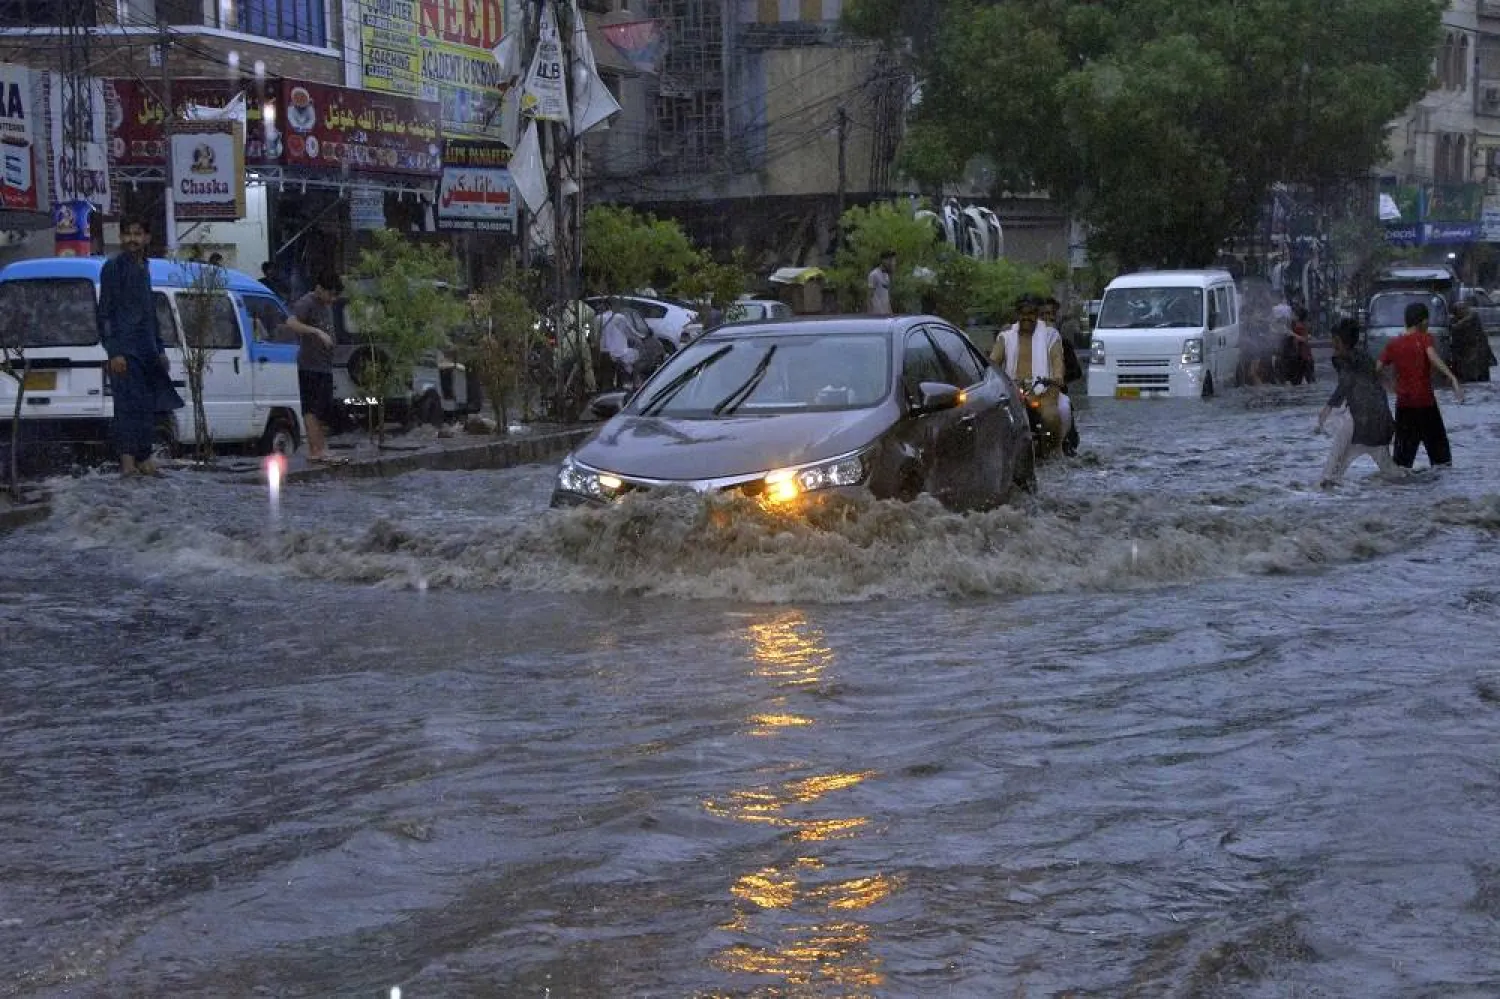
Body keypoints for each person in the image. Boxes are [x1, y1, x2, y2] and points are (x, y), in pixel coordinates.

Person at [97, 216, 183, 477]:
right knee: (126, 406)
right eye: (127, 234)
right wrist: (115, 351)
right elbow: (105, 314)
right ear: (121, 238)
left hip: (146, 350)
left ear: (146, 238)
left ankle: (144, 458)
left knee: (148, 406)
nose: (132, 239)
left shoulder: (144, 267)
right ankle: (127, 462)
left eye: (137, 233)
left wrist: (159, 349)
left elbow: (149, 313)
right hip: (125, 351)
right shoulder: (113, 267)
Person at [1377, 300, 1464, 470]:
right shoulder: (1424, 338)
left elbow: (1376, 369)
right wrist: (1452, 377)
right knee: (1442, 460)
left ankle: (1404, 494)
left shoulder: (1393, 344)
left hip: (1404, 407)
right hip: (1426, 405)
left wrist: (1389, 385)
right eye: (1427, 321)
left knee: (1402, 463)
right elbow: (1431, 356)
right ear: (1422, 321)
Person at [1316, 319, 1401, 488]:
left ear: (1339, 341)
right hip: (1379, 421)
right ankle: (1421, 486)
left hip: (1359, 421)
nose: (1332, 343)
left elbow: (1345, 384)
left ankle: (1322, 492)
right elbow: (1379, 382)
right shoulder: (1364, 356)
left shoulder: (1340, 359)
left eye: (1334, 339)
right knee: (1392, 472)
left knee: (1331, 471)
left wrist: (1326, 410)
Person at [990, 295, 1071, 449]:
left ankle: (1053, 455)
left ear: (1037, 314)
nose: (1027, 317)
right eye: (1023, 313)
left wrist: (1057, 376)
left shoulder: (1050, 335)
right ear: (1017, 315)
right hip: (1012, 392)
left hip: (1045, 390)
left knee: (1050, 418)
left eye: (1031, 313)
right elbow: (992, 363)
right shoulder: (1005, 338)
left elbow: (1057, 360)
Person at [285, 271, 344, 464]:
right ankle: (315, 450)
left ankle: (321, 448)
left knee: (323, 409)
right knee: (311, 409)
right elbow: (291, 322)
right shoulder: (307, 302)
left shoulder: (325, 305)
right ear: (320, 289)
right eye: (331, 294)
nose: (333, 299)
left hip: (324, 365)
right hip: (310, 365)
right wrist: (317, 332)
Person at [1039, 296, 1082, 455]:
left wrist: (1060, 380)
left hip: (1055, 393)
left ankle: (1065, 445)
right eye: (1043, 314)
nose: (1048, 318)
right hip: (1029, 391)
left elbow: (1076, 371)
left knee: (1063, 408)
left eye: (1051, 314)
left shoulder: (1064, 343)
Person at [598, 298, 640, 390]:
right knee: (624, 378)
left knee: (607, 379)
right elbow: (630, 333)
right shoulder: (620, 317)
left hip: (605, 354)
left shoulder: (597, 319)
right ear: (610, 306)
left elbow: (591, 335)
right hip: (622, 353)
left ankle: (607, 397)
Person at [1450, 298, 1493, 383]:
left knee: (1482, 378)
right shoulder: (1455, 320)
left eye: (1465, 308)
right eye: (1462, 309)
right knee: (1468, 377)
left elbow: (1466, 320)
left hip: (1479, 353)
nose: (1465, 310)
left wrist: (1454, 326)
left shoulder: (1473, 315)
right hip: (1467, 354)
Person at [867, 250, 894, 315]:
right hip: (877, 315)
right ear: (883, 260)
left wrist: (891, 313)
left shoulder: (886, 276)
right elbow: (869, 297)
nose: (891, 263)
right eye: (889, 260)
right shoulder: (874, 274)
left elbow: (886, 297)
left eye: (892, 260)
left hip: (886, 315)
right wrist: (870, 315)